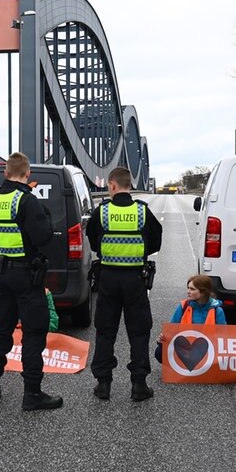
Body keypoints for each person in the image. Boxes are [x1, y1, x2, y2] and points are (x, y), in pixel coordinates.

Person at [0, 152, 61, 410]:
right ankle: (32, 395)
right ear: (28, 175)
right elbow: (43, 237)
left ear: (5, 173)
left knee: (0, 331)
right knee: (34, 334)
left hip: (1, 275)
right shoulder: (27, 201)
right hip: (27, 276)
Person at [87, 166, 163, 402]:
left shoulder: (103, 211)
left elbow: (93, 241)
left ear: (112, 185)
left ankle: (103, 385)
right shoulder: (142, 212)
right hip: (135, 279)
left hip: (108, 278)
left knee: (105, 331)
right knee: (139, 332)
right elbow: (155, 242)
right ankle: (139, 385)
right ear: (129, 185)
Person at [155, 275, 226, 362]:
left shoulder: (217, 311)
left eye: (192, 289)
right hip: (185, 347)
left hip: (208, 350)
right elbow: (171, 329)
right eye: (188, 288)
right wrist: (162, 338)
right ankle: (177, 371)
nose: (188, 291)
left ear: (203, 292)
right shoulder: (183, 306)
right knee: (160, 352)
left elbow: (223, 338)